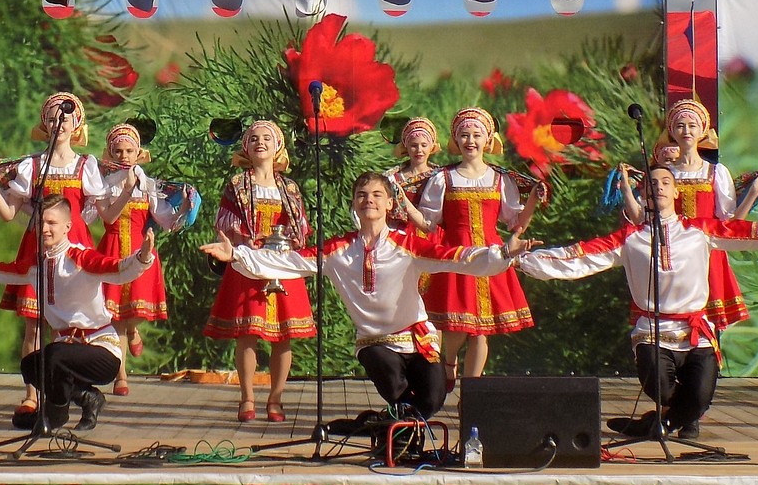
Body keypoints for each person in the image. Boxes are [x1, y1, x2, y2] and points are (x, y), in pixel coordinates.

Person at [202, 171, 522, 428]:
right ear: (354, 205)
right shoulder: (338, 250)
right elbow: (289, 261)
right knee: (393, 383)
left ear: (388, 206)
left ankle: (383, 429)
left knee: (432, 398)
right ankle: (388, 430)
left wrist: (502, 253)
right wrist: (237, 255)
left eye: (376, 195)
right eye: (362, 195)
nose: (369, 200)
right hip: (376, 343)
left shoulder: (407, 245)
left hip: (418, 340)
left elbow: (459, 258)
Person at [517, 165, 758, 440]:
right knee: (659, 389)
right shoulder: (630, 238)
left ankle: (656, 425)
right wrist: (518, 259)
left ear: (675, 192)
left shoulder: (700, 230)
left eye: (665, 183)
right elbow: (579, 256)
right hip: (653, 331)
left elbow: (746, 232)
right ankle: (660, 421)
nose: (659, 187)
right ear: (643, 193)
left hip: (696, 332)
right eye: (652, 183)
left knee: (698, 399)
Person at [0, 194, 156, 433]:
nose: (45, 229)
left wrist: (142, 257)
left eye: (51, 223)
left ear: (68, 226)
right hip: (65, 350)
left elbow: (119, 270)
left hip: (101, 352)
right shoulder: (35, 265)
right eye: (41, 223)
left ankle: (55, 414)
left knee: (54, 354)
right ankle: (86, 398)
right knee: (30, 366)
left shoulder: (81, 257)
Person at [0, 91, 104, 417]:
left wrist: (131, 187)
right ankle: (32, 394)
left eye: (65, 117)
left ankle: (66, 392)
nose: (58, 123)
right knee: (33, 325)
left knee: (72, 326)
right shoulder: (33, 166)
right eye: (51, 117)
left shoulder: (86, 165)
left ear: (77, 124)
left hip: (74, 250)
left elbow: (107, 213)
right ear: (44, 124)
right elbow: (7, 213)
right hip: (37, 249)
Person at [409, 107, 541, 388]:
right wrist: (402, 201)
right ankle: (449, 362)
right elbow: (428, 221)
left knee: (480, 330)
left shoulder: (499, 179)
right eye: (464, 135)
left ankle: (472, 391)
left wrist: (533, 200)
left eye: (476, 135)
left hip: (492, 256)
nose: (470, 141)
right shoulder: (444, 178)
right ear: (456, 140)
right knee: (459, 324)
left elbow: (516, 222)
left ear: (488, 139)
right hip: (457, 256)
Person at [203, 120, 315, 424]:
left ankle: (276, 398)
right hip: (249, 261)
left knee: (283, 335)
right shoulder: (239, 184)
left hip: (281, 262)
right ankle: (248, 397)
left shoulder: (289, 187)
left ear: (278, 146)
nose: (260, 143)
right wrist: (244, 237)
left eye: (267, 138)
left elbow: (302, 225)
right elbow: (225, 219)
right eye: (254, 139)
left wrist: (292, 236)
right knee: (248, 332)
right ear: (246, 148)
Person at [621, 100, 758, 333]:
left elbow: (729, 223)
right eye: (680, 126)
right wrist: (626, 190)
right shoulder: (664, 174)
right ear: (672, 131)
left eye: (692, 126)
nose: (686, 131)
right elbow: (641, 219)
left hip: (705, 253)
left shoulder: (715, 171)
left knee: (705, 323)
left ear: (702, 131)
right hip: (670, 251)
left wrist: (753, 193)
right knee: (669, 320)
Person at [95, 123, 197, 395]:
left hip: (141, 249)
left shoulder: (148, 185)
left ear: (139, 153)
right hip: (113, 249)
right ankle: (121, 376)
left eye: (129, 150)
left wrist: (185, 207)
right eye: (118, 151)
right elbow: (106, 217)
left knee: (132, 312)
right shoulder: (104, 185)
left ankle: (133, 330)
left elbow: (165, 219)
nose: (124, 156)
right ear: (110, 153)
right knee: (115, 314)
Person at [385, 117, 440, 230]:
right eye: (414, 145)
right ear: (406, 146)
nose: (419, 150)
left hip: (429, 237)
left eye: (424, 145)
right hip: (398, 238)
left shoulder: (439, 177)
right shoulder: (391, 178)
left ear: (432, 147)